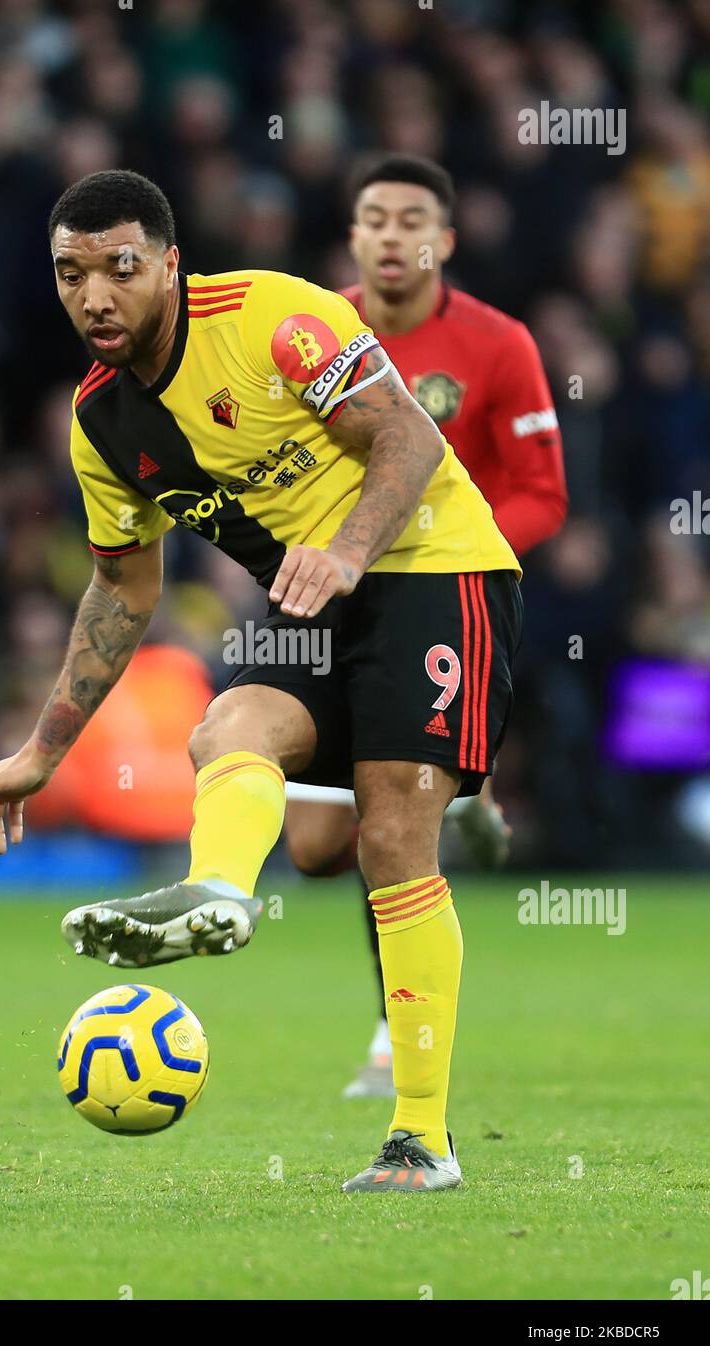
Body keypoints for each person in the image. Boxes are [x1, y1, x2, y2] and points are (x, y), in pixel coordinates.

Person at [0, 169, 523, 1194]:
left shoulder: (271, 317)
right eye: (71, 274)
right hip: (314, 594)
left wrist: (347, 549)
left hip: (434, 565)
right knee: (230, 730)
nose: (96, 296)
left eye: (121, 268)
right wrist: (38, 753)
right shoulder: (102, 424)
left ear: (169, 264)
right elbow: (121, 590)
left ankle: (420, 1140)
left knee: (391, 830)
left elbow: (409, 432)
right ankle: (217, 888)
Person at [282, 155, 567, 1099]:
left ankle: (391, 1032)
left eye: (414, 220)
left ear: (444, 240)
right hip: (334, 587)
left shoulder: (499, 344)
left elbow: (542, 494)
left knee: (388, 817)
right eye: (375, 218)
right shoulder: (312, 331)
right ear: (353, 237)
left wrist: (458, 550)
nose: (394, 235)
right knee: (318, 849)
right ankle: (467, 798)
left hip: (447, 597)